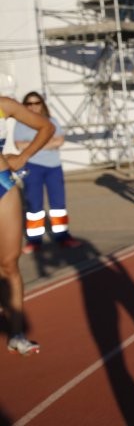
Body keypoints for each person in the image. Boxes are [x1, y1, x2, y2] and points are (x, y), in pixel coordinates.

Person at [0, 95, 54, 355]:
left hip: (2, 185)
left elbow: (47, 127)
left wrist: (23, 157)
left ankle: (17, 333)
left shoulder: (4, 105)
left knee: (9, 264)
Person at [14, 92, 81, 254]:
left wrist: (33, 145)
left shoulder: (52, 121)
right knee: (34, 205)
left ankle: (63, 236)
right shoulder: (21, 124)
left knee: (58, 205)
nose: (33, 106)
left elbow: (60, 141)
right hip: (32, 167)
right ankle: (34, 240)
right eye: (29, 104)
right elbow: (19, 145)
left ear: (42, 104)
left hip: (53, 167)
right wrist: (46, 142)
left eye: (36, 103)